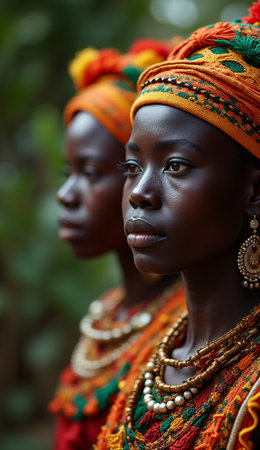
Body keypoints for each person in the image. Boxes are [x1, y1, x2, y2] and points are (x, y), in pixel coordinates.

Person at [95, 2, 260, 449]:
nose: (140, 193)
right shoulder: (152, 358)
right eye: (132, 166)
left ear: (258, 191)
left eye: (177, 166)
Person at [48, 39, 185, 450]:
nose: (65, 195)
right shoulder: (107, 314)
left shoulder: (189, 329)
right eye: (67, 172)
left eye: (90, 173)